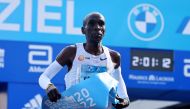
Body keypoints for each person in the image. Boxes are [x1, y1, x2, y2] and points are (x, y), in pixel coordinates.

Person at [39, 12, 129, 109]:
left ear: (105, 30)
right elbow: (44, 77)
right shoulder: (71, 52)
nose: (97, 27)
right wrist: (49, 86)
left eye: (101, 24)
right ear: (83, 30)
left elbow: (120, 85)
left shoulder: (114, 56)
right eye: (92, 23)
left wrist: (125, 100)